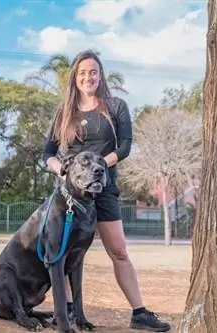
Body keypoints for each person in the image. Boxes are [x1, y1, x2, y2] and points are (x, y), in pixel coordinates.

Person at [42, 50, 171, 332]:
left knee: (119, 250)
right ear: (74, 78)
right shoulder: (64, 112)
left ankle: (139, 313)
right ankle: (68, 312)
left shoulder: (115, 106)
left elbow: (124, 147)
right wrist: (59, 168)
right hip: (70, 196)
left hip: (104, 187)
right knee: (63, 254)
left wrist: (100, 164)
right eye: (82, 73)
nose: (88, 77)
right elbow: (48, 153)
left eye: (93, 72)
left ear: (100, 76)